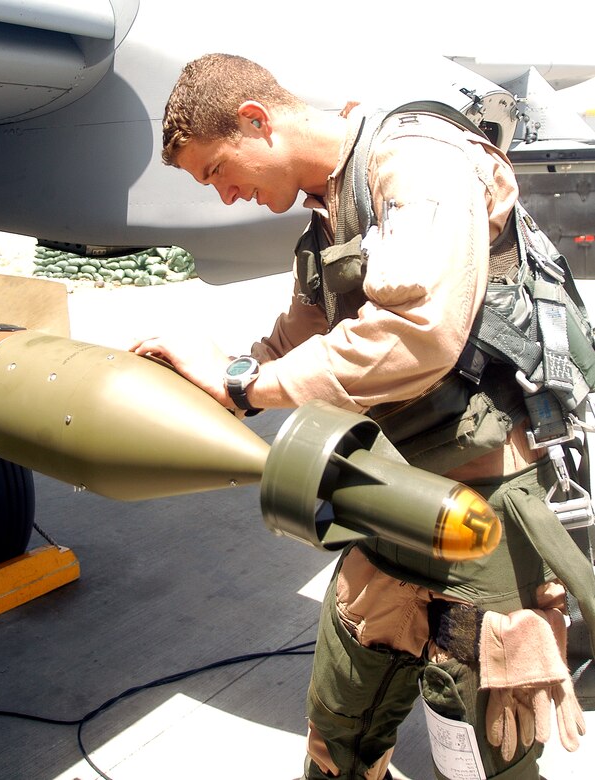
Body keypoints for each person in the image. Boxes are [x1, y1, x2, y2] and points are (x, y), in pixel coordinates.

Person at [131, 53, 589, 779]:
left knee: (481, 746)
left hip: (487, 509)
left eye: (217, 170)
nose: (225, 195)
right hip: (390, 491)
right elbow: (301, 336)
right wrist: (219, 372)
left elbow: (418, 334)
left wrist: (250, 387)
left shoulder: (416, 161)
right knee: (340, 718)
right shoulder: (330, 209)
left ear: (256, 120)